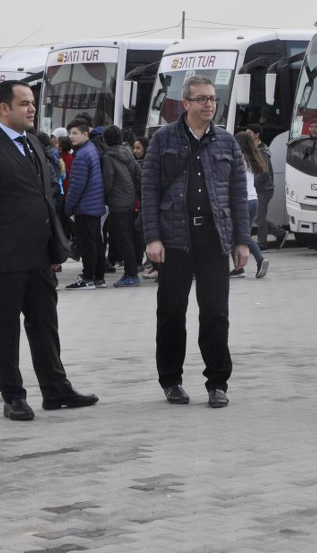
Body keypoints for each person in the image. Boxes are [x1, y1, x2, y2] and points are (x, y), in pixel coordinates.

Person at [0, 80, 98, 420]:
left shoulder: (33, 143)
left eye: (32, 103)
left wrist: (55, 248)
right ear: (4, 109)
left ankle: (56, 390)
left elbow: (44, 198)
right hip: (5, 258)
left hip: (39, 255)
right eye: (24, 103)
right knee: (5, 329)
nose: (32, 109)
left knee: (45, 325)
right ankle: (12, 395)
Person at [142, 75, 251, 409]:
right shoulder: (163, 139)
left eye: (213, 99)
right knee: (171, 313)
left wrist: (242, 241)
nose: (209, 104)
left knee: (216, 314)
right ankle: (171, 381)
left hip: (214, 239)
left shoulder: (226, 142)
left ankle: (217, 383)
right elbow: (149, 189)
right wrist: (152, 237)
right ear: (186, 104)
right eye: (202, 99)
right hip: (174, 240)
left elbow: (237, 194)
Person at [64, 118, 107, 290]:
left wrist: (68, 207)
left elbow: (76, 185)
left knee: (88, 245)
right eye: (70, 133)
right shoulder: (91, 150)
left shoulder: (81, 155)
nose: (71, 137)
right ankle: (99, 277)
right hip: (94, 205)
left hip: (85, 206)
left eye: (75, 133)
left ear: (85, 134)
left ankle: (88, 277)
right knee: (96, 242)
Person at [101, 126, 142, 288]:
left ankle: (131, 274)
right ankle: (132, 270)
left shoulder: (108, 158)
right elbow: (138, 174)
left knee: (122, 238)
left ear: (106, 140)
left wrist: (105, 197)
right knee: (129, 237)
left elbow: (107, 182)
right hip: (130, 199)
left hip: (117, 202)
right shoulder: (129, 153)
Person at [230, 132, 270, 279]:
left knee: (237, 234)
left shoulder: (237, 158)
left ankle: (254, 261)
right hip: (253, 199)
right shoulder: (252, 158)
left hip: (241, 201)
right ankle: (240, 267)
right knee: (241, 234)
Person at [245, 124, 286, 249]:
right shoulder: (254, 149)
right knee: (258, 216)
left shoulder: (261, 151)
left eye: (249, 133)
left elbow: (263, 172)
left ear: (257, 135)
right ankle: (280, 233)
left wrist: (251, 183)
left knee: (259, 216)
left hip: (264, 189)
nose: (247, 135)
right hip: (258, 188)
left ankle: (262, 243)